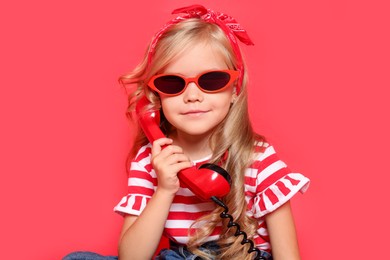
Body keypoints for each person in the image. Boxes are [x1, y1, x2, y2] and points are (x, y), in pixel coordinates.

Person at [64, 4, 309, 260]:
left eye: (211, 80)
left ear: (234, 90)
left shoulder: (258, 158)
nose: (192, 96)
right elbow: (131, 257)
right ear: (156, 98)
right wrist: (165, 189)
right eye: (172, 83)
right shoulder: (149, 161)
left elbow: (288, 255)